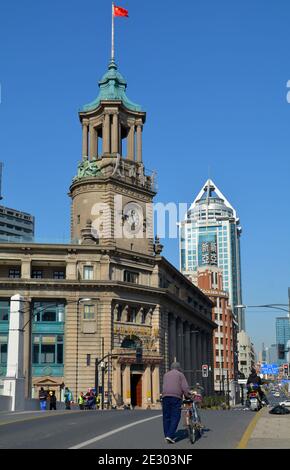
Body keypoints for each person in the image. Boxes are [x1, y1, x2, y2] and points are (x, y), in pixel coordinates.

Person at [162, 361, 191, 444]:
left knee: (166, 416)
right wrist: (187, 395)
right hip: (176, 397)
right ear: (178, 368)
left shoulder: (165, 375)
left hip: (165, 396)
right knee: (175, 416)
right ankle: (170, 436)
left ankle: (167, 434)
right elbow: (185, 387)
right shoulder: (180, 375)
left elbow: (164, 385)